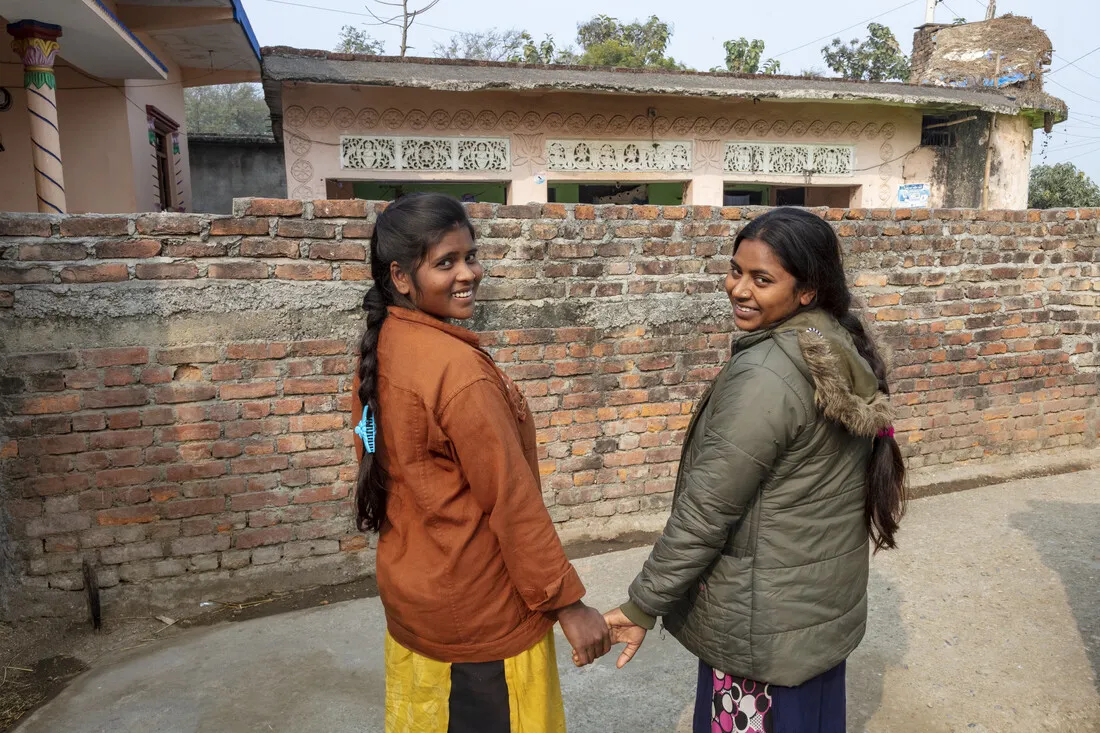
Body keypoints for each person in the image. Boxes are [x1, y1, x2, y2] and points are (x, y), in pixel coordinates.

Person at [602, 207, 907, 733]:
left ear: (807, 290)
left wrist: (641, 606)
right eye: (735, 271)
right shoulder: (833, 343)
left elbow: (706, 513)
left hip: (761, 631)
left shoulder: (768, 374)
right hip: (809, 622)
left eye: (762, 279)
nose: (739, 289)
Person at [352, 193, 609, 732]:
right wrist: (568, 605)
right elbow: (511, 501)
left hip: (414, 600)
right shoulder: (456, 372)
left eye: (471, 256)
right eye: (446, 263)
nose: (469, 273)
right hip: (478, 619)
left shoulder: (385, 345)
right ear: (400, 277)